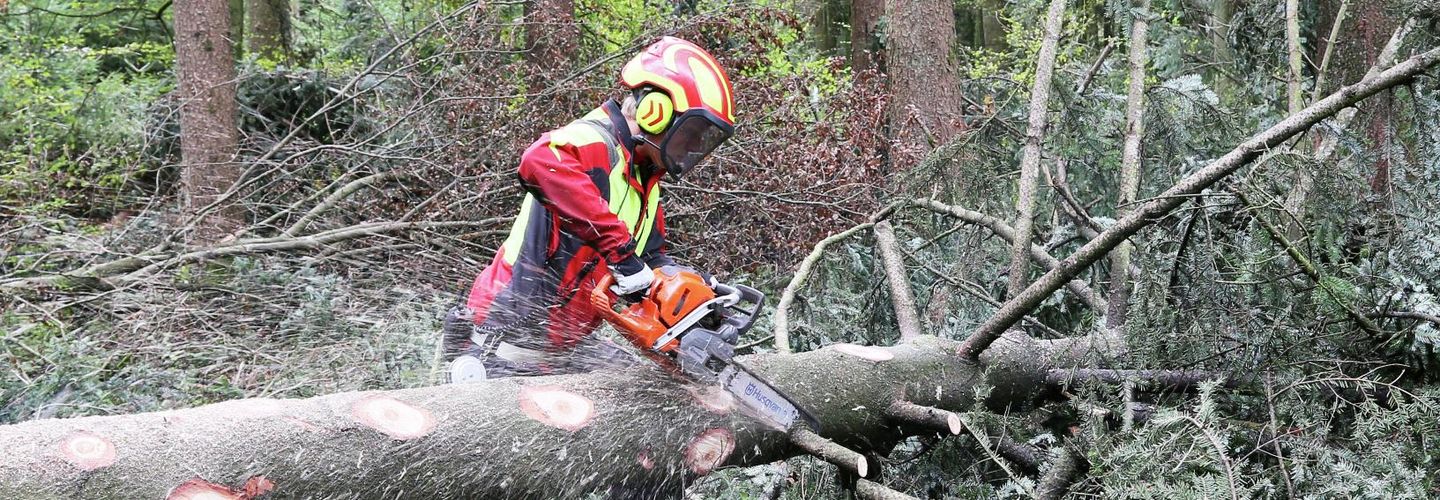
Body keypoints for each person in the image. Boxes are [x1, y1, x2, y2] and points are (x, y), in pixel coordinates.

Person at [443, 36, 737, 382]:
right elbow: (538, 159)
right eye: (692, 133)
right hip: (501, 346)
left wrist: (695, 292)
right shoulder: (594, 141)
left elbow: (652, 261)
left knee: (649, 384)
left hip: (563, 350)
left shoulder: (644, 183)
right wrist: (621, 254)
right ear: (655, 111)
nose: (693, 146)